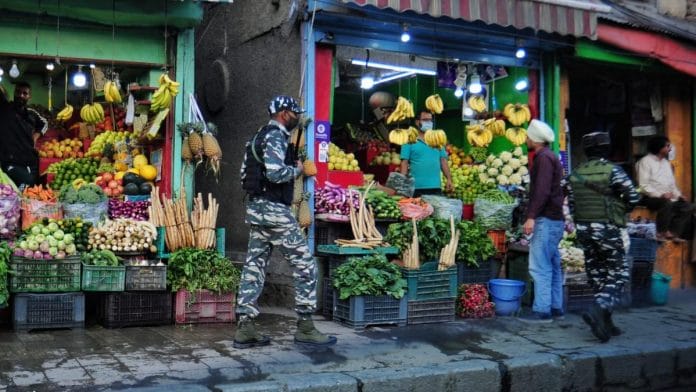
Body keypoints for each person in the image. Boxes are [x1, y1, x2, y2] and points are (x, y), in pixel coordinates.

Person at [236, 95, 336, 349]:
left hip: (257, 211)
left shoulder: (256, 136)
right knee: (305, 264)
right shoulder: (276, 136)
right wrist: (298, 170)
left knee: (254, 267)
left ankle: (245, 327)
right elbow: (275, 173)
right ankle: (305, 326)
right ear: (283, 113)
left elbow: (243, 175)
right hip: (274, 213)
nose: (297, 118)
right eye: (294, 113)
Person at [567, 132, 640, 342]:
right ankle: (599, 309)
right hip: (607, 229)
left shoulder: (576, 173)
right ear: (606, 149)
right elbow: (633, 197)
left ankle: (606, 323)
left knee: (598, 275)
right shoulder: (613, 171)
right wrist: (619, 208)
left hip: (584, 231)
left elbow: (572, 204)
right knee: (618, 273)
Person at [519, 119, 565, 323]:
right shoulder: (550, 156)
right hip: (555, 218)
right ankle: (556, 307)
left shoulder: (543, 159)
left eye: (528, 137)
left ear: (535, 140)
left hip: (546, 219)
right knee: (553, 264)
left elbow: (542, 190)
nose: (526, 139)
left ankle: (541, 310)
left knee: (540, 265)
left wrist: (531, 217)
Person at [636, 135, 694, 241]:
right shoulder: (645, 162)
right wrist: (660, 195)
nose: (670, 149)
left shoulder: (666, 163)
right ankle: (661, 233)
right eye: (667, 146)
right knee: (666, 203)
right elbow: (643, 186)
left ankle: (672, 233)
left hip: (667, 198)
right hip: (649, 198)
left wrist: (678, 195)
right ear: (659, 147)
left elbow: (672, 185)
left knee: (688, 206)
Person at [0, 81, 48, 189]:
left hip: (29, 160)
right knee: (19, 187)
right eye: (18, 92)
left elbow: (45, 123)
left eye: (24, 93)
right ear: (14, 93)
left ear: (29, 96)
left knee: (29, 190)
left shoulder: (31, 113)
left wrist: (36, 135)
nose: (21, 95)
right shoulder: (5, 109)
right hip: (10, 161)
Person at [399, 110, 453, 197]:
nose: (429, 122)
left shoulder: (437, 140)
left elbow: (443, 161)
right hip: (415, 188)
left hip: (435, 187)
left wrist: (449, 179)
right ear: (417, 122)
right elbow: (404, 163)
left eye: (430, 120)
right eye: (425, 120)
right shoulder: (409, 140)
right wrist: (401, 184)